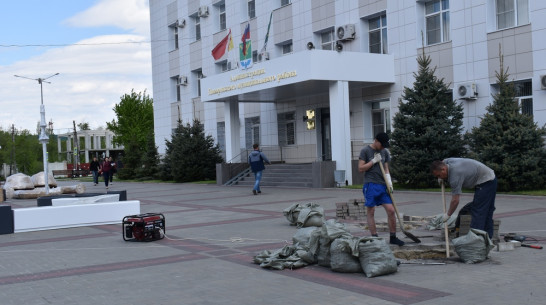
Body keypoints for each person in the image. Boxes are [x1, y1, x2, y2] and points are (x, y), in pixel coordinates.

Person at [358, 132, 405, 246]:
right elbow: (360, 168)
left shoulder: (384, 152)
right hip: (371, 185)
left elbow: (386, 168)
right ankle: (375, 237)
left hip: (383, 185)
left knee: (391, 210)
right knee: (371, 211)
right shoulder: (365, 151)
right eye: (382, 144)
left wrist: (389, 183)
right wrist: (373, 161)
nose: (383, 147)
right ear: (376, 141)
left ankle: (393, 237)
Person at [431, 158, 497, 238]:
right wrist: (440, 178)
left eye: (439, 175)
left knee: (479, 211)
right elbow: (443, 160)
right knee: (487, 210)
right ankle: (487, 238)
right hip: (489, 178)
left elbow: (455, 200)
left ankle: (476, 240)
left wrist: (448, 215)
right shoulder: (447, 162)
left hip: (486, 181)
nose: (440, 177)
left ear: (443, 169)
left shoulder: (455, 176)